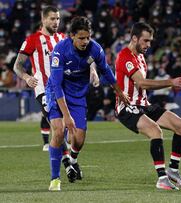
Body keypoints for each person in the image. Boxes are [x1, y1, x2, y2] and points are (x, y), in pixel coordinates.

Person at [45, 16, 129, 191]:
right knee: (59, 132)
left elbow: (106, 71)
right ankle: (55, 180)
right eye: (81, 38)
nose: (85, 41)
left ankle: (72, 160)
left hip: (77, 95)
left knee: (79, 139)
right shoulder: (60, 51)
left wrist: (119, 92)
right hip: (57, 92)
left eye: (88, 37)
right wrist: (66, 116)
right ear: (72, 36)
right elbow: (57, 84)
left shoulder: (95, 49)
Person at [13, 6, 99, 151]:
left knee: (73, 134)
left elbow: (83, 55)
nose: (56, 22)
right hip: (44, 89)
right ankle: (67, 165)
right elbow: (17, 65)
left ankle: (69, 159)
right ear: (43, 19)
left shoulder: (63, 39)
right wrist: (27, 77)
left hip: (64, 89)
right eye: (52, 18)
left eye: (58, 18)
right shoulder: (32, 40)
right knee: (58, 128)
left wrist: (93, 70)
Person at [115, 22, 181, 190]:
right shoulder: (125, 56)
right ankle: (162, 178)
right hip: (127, 106)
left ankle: (173, 171)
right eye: (145, 41)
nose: (148, 45)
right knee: (155, 131)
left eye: (150, 41)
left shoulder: (140, 56)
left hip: (144, 104)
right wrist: (171, 82)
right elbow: (142, 83)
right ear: (134, 38)